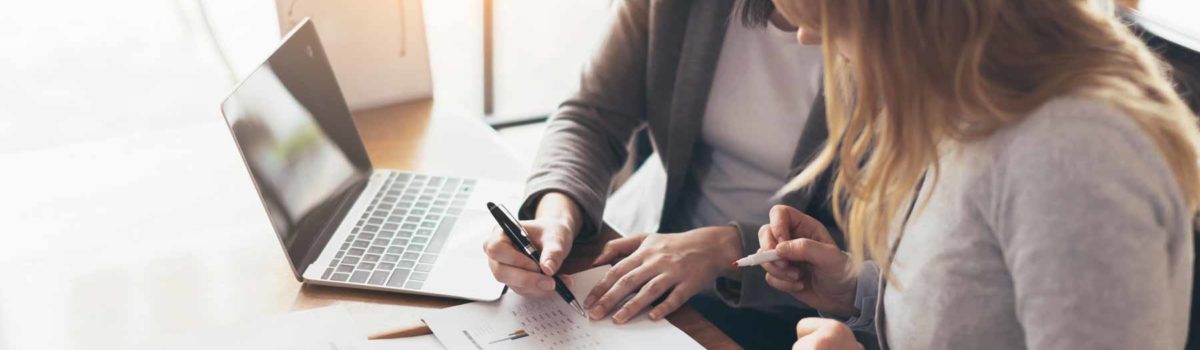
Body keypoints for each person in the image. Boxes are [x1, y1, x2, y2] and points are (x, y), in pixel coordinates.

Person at [758, 0, 1200, 349]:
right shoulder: (963, 105)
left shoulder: (1074, 157)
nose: (806, 36)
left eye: (836, 22)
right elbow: (976, 310)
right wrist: (857, 292)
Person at [481, 0, 835, 347]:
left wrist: (727, 247)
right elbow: (591, 115)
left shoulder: (880, 40)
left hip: (790, 311)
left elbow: (877, 256)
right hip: (640, 246)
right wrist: (556, 216)